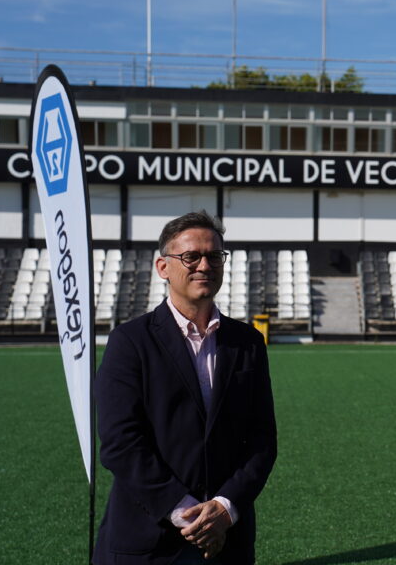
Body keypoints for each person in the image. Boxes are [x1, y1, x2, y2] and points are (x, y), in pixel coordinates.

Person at [94, 211, 277, 565]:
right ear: (163, 267)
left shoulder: (248, 343)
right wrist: (188, 514)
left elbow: (262, 440)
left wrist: (225, 509)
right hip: (148, 540)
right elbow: (121, 443)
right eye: (191, 256)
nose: (204, 265)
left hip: (228, 542)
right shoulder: (129, 341)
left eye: (214, 256)